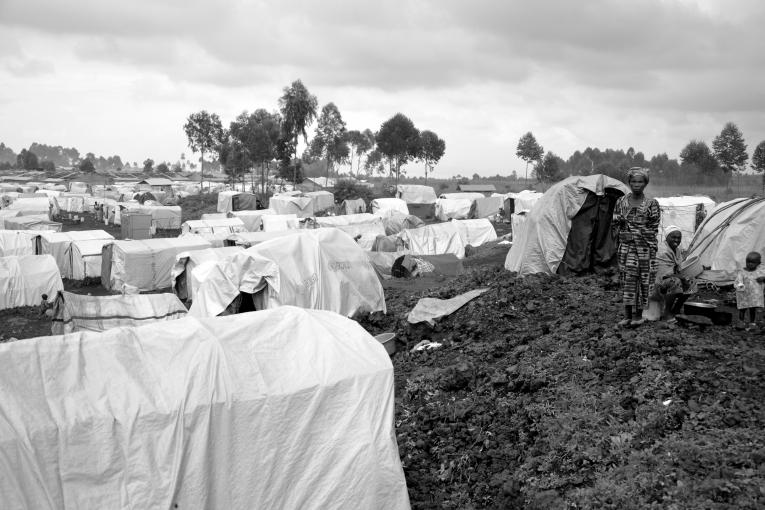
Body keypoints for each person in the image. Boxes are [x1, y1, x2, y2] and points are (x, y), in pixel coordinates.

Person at [613, 167, 661, 327]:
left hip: (644, 250)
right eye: (633, 181)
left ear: (645, 183)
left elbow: (653, 229)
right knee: (627, 280)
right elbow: (614, 225)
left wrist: (635, 233)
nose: (636, 184)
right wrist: (621, 228)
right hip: (626, 249)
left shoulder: (652, 204)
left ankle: (638, 316)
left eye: (640, 181)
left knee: (643, 282)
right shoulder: (621, 202)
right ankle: (627, 316)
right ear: (629, 182)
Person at [653, 226, 696, 319]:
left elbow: (678, 268)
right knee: (675, 281)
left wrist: (685, 278)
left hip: (669, 278)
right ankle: (667, 312)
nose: (676, 240)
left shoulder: (676, 249)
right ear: (667, 237)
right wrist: (682, 278)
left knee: (692, 281)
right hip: (657, 281)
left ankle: (676, 310)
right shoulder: (663, 251)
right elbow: (664, 275)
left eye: (678, 238)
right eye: (673, 237)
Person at [734, 251, 765, 331]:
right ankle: (741, 322)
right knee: (742, 309)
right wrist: (739, 285)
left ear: (758, 263)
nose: (750, 264)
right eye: (748, 262)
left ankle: (752, 322)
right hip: (744, 295)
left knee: (752, 309)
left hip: (753, 296)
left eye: (753, 262)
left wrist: (763, 278)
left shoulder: (760, 272)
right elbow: (738, 281)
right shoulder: (742, 272)